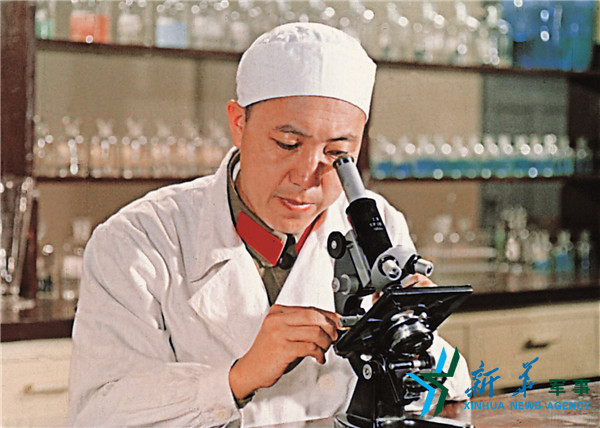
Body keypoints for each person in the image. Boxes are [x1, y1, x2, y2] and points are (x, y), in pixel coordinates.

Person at [67, 22, 470, 427]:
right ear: (238, 124)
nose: (307, 177)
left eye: (337, 154)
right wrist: (237, 378)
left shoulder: (376, 225)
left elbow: (452, 389)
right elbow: (98, 414)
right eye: (287, 144)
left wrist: (415, 332)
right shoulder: (138, 240)